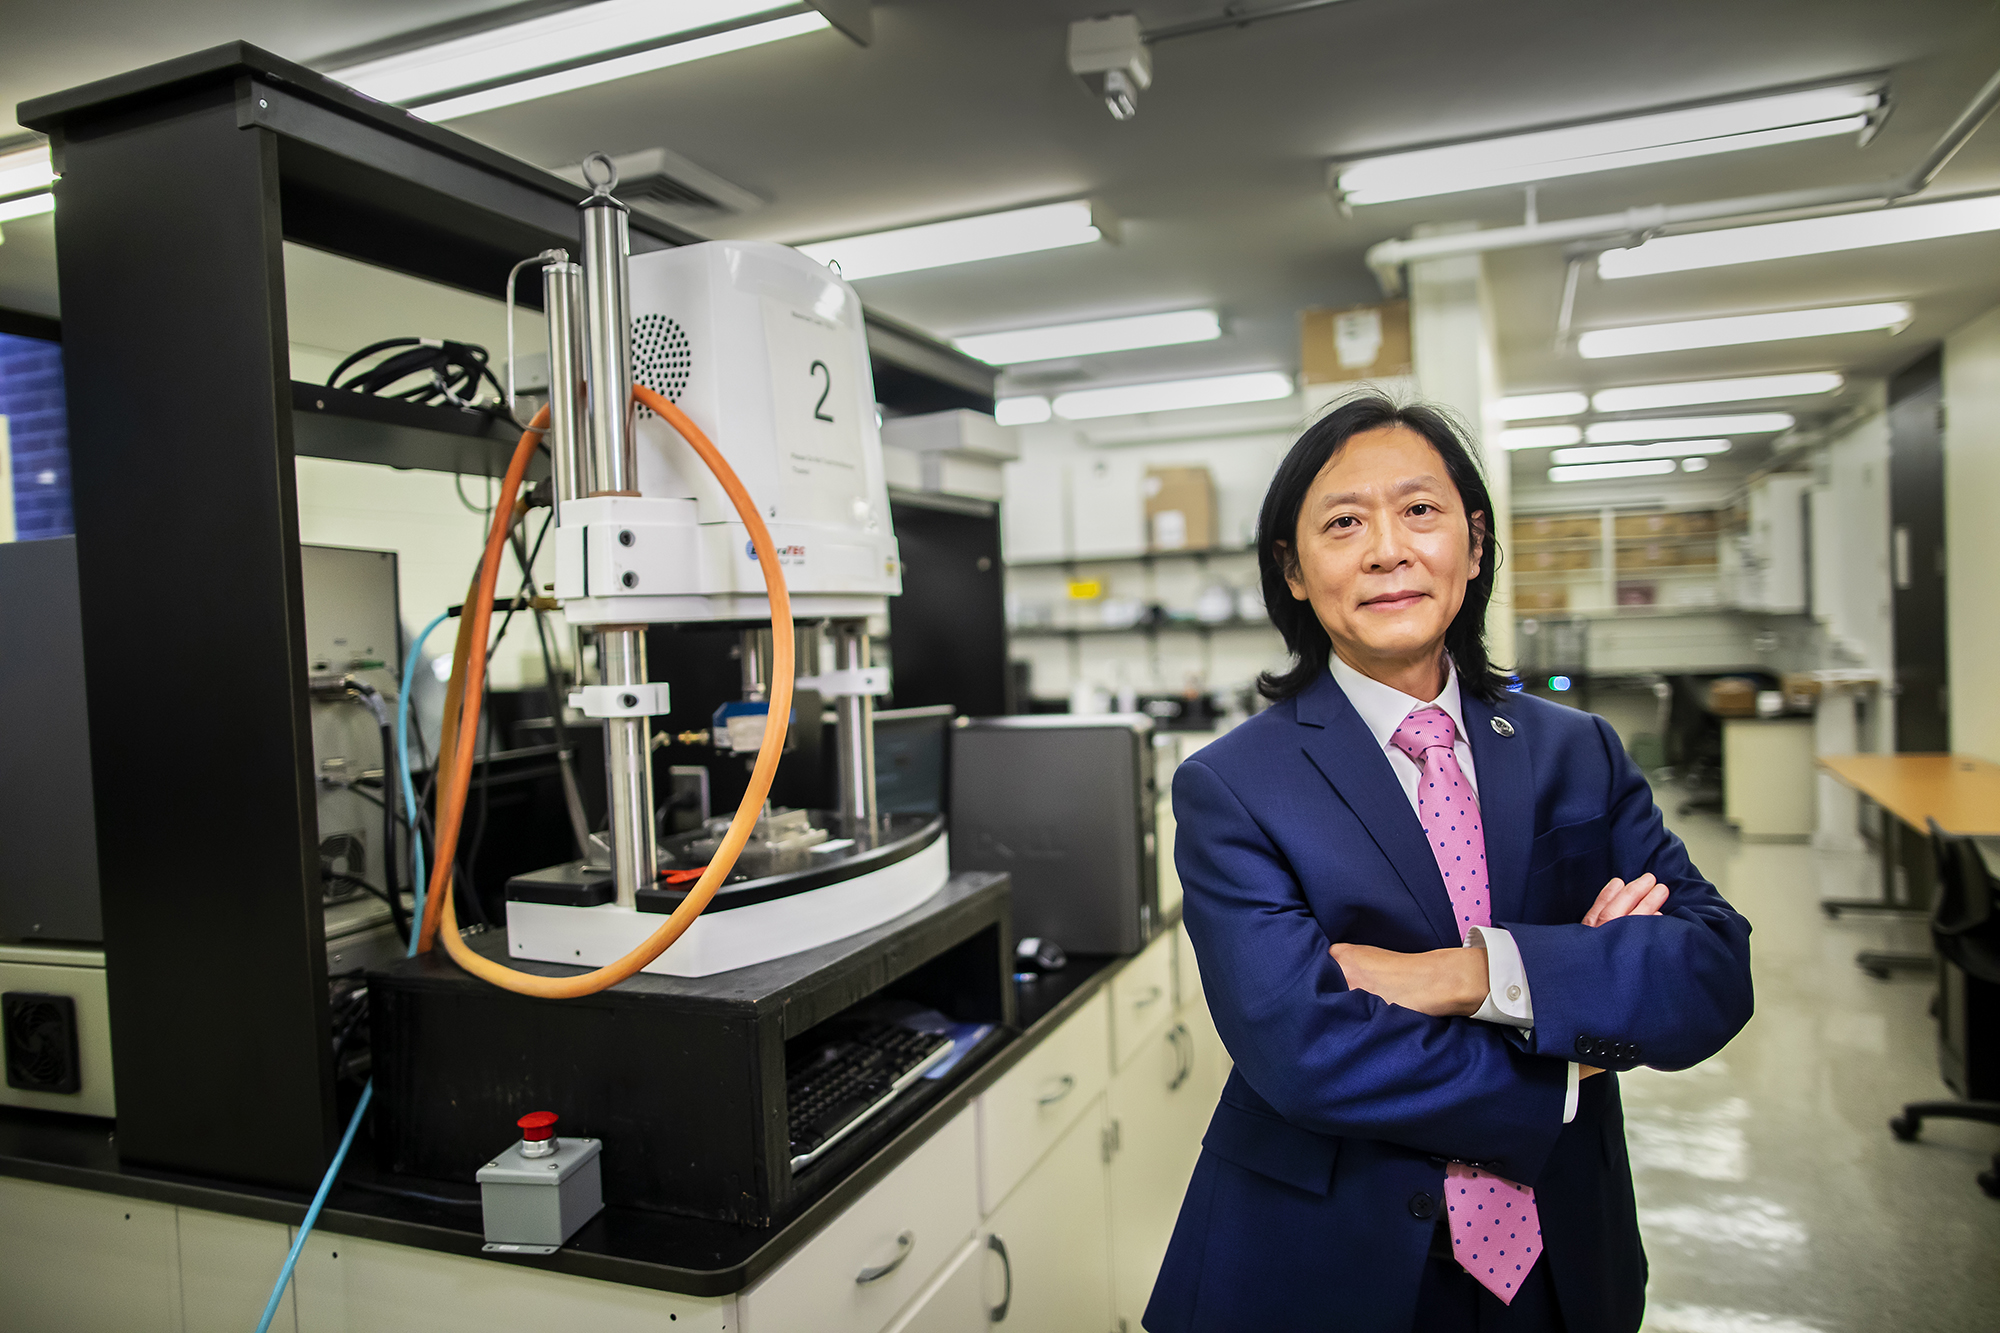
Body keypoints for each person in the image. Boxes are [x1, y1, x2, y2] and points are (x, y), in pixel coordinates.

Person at [1143, 396, 1753, 1333]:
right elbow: (1304, 1053)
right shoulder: (1232, 786)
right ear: (1295, 572)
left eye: (1419, 511)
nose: (1387, 548)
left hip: (1564, 1256)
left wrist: (1466, 974)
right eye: (1343, 522)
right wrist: (1566, 1042)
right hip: (1323, 1265)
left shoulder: (1577, 752)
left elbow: (1710, 968)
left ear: (1473, 543)